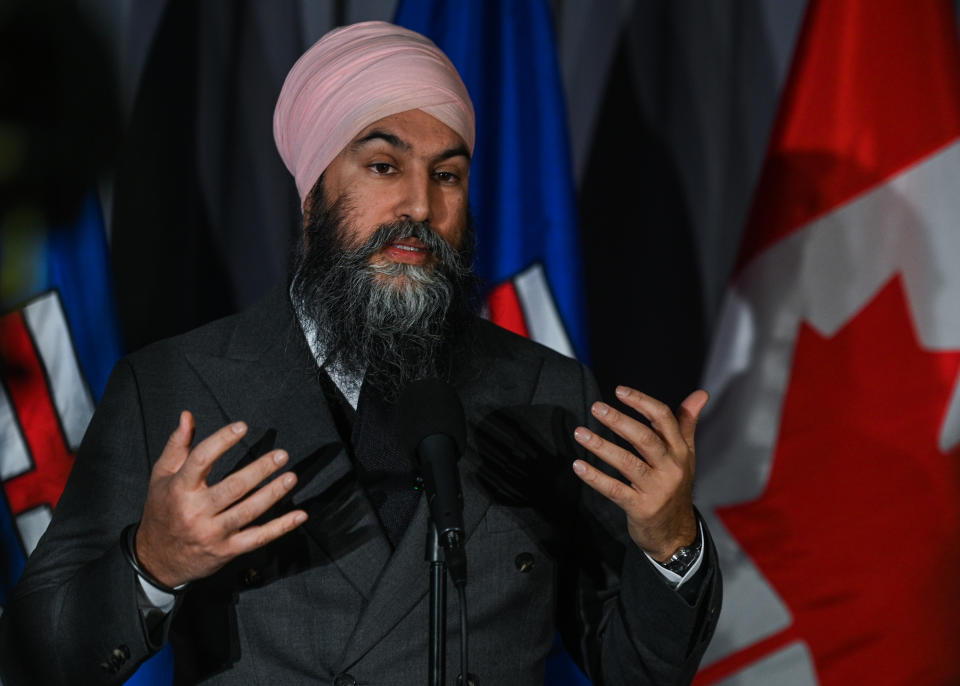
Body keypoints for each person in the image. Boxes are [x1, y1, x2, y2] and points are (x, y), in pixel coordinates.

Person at [0, 21, 721, 685]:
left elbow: (639, 670)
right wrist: (151, 564)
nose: (418, 206)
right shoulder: (172, 386)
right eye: (382, 166)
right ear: (312, 194)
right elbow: (32, 657)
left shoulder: (545, 389)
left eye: (447, 176)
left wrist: (671, 543)